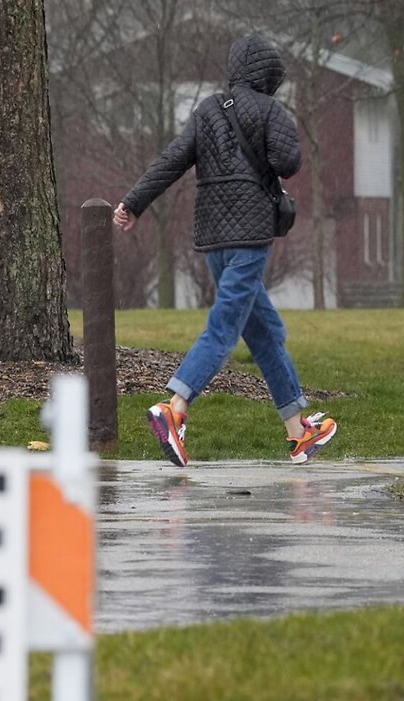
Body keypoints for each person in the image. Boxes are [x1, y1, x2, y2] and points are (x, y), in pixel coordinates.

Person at [112, 34, 336, 467]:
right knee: (224, 329)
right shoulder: (272, 111)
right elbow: (288, 162)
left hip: (213, 239)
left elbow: (173, 158)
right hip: (249, 237)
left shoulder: (208, 110)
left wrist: (133, 202)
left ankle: (299, 433)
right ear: (268, 75)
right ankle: (173, 408)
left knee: (265, 332)